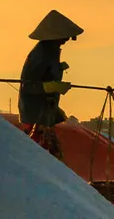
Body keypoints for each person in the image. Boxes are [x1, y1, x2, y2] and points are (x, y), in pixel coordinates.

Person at [19, 9, 83, 158]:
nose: (66, 40)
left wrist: (58, 71)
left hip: (45, 112)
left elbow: (46, 75)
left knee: (50, 153)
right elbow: (28, 86)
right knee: (40, 154)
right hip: (35, 114)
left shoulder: (51, 52)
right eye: (64, 37)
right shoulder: (40, 54)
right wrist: (51, 86)